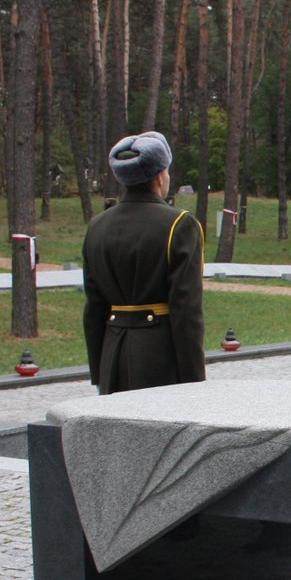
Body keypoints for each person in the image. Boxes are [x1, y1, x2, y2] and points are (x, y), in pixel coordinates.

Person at [82, 131, 205, 395]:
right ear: (159, 176)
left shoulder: (97, 227)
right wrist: (194, 381)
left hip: (112, 357)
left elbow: (94, 308)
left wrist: (100, 371)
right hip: (161, 359)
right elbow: (186, 310)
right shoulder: (179, 225)